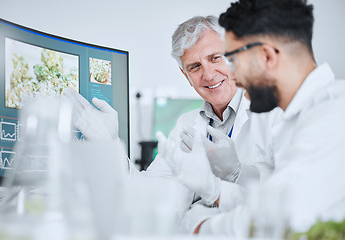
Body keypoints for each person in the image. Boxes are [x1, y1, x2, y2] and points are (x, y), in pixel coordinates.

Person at [64, 15, 279, 221]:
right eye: (195, 67)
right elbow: (145, 195)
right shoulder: (186, 125)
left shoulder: (275, 112)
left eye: (215, 58)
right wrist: (109, 143)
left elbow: (295, 194)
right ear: (186, 76)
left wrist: (238, 173)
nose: (209, 74)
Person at [172, 0, 345, 237]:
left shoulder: (334, 113)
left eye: (233, 59)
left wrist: (200, 227)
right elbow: (274, 198)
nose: (234, 76)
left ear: (266, 56)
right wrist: (215, 193)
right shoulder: (298, 115)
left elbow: (283, 217)